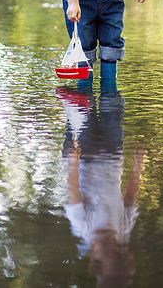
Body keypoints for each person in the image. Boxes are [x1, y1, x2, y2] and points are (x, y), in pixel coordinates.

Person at [58, 85, 146, 287]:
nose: (116, 245)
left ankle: (83, 66)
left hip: (83, 156)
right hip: (111, 154)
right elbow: (131, 198)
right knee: (112, 107)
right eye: (121, 250)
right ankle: (109, 70)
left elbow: (74, 191)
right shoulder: (123, 231)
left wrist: (73, 161)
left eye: (111, 252)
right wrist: (138, 166)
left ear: (94, 260)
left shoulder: (84, 228)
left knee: (82, 104)